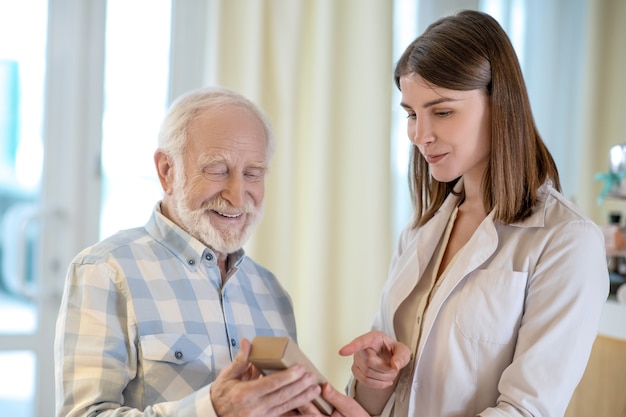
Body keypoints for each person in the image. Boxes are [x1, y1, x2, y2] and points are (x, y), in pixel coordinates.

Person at [317, 9, 610, 417]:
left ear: (501, 103)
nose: (420, 135)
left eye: (442, 112)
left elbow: (527, 411)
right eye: (411, 114)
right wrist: (373, 379)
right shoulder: (419, 232)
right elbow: (385, 399)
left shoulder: (566, 241)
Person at [54, 86, 324, 417]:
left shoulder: (272, 292)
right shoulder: (105, 272)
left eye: (253, 173)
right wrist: (212, 410)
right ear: (167, 170)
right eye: (217, 170)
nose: (238, 197)